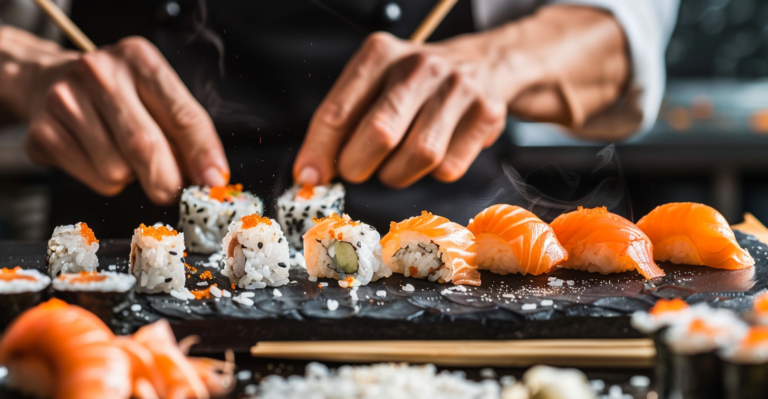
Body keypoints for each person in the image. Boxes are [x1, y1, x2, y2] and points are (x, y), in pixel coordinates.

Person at [0, 0, 678, 233]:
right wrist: (26, 71)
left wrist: (500, 60)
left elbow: (623, 35)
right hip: (124, 254)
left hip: (441, 258)